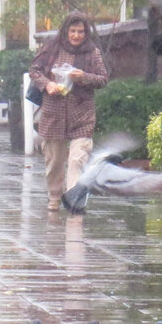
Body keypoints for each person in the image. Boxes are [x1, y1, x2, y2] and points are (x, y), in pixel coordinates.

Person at [28, 12, 109, 210]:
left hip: (82, 114)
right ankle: (55, 196)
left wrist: (83, 76)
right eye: (72, 31)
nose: (76, 35)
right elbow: (34, 71)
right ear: (65, 31)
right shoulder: (52, 48)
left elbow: (102, 79)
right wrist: (47, 84)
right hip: (53, 113)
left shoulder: (92, 52)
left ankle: (74, 199)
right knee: (54, 161)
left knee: (76, 160)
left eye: (80, 31)